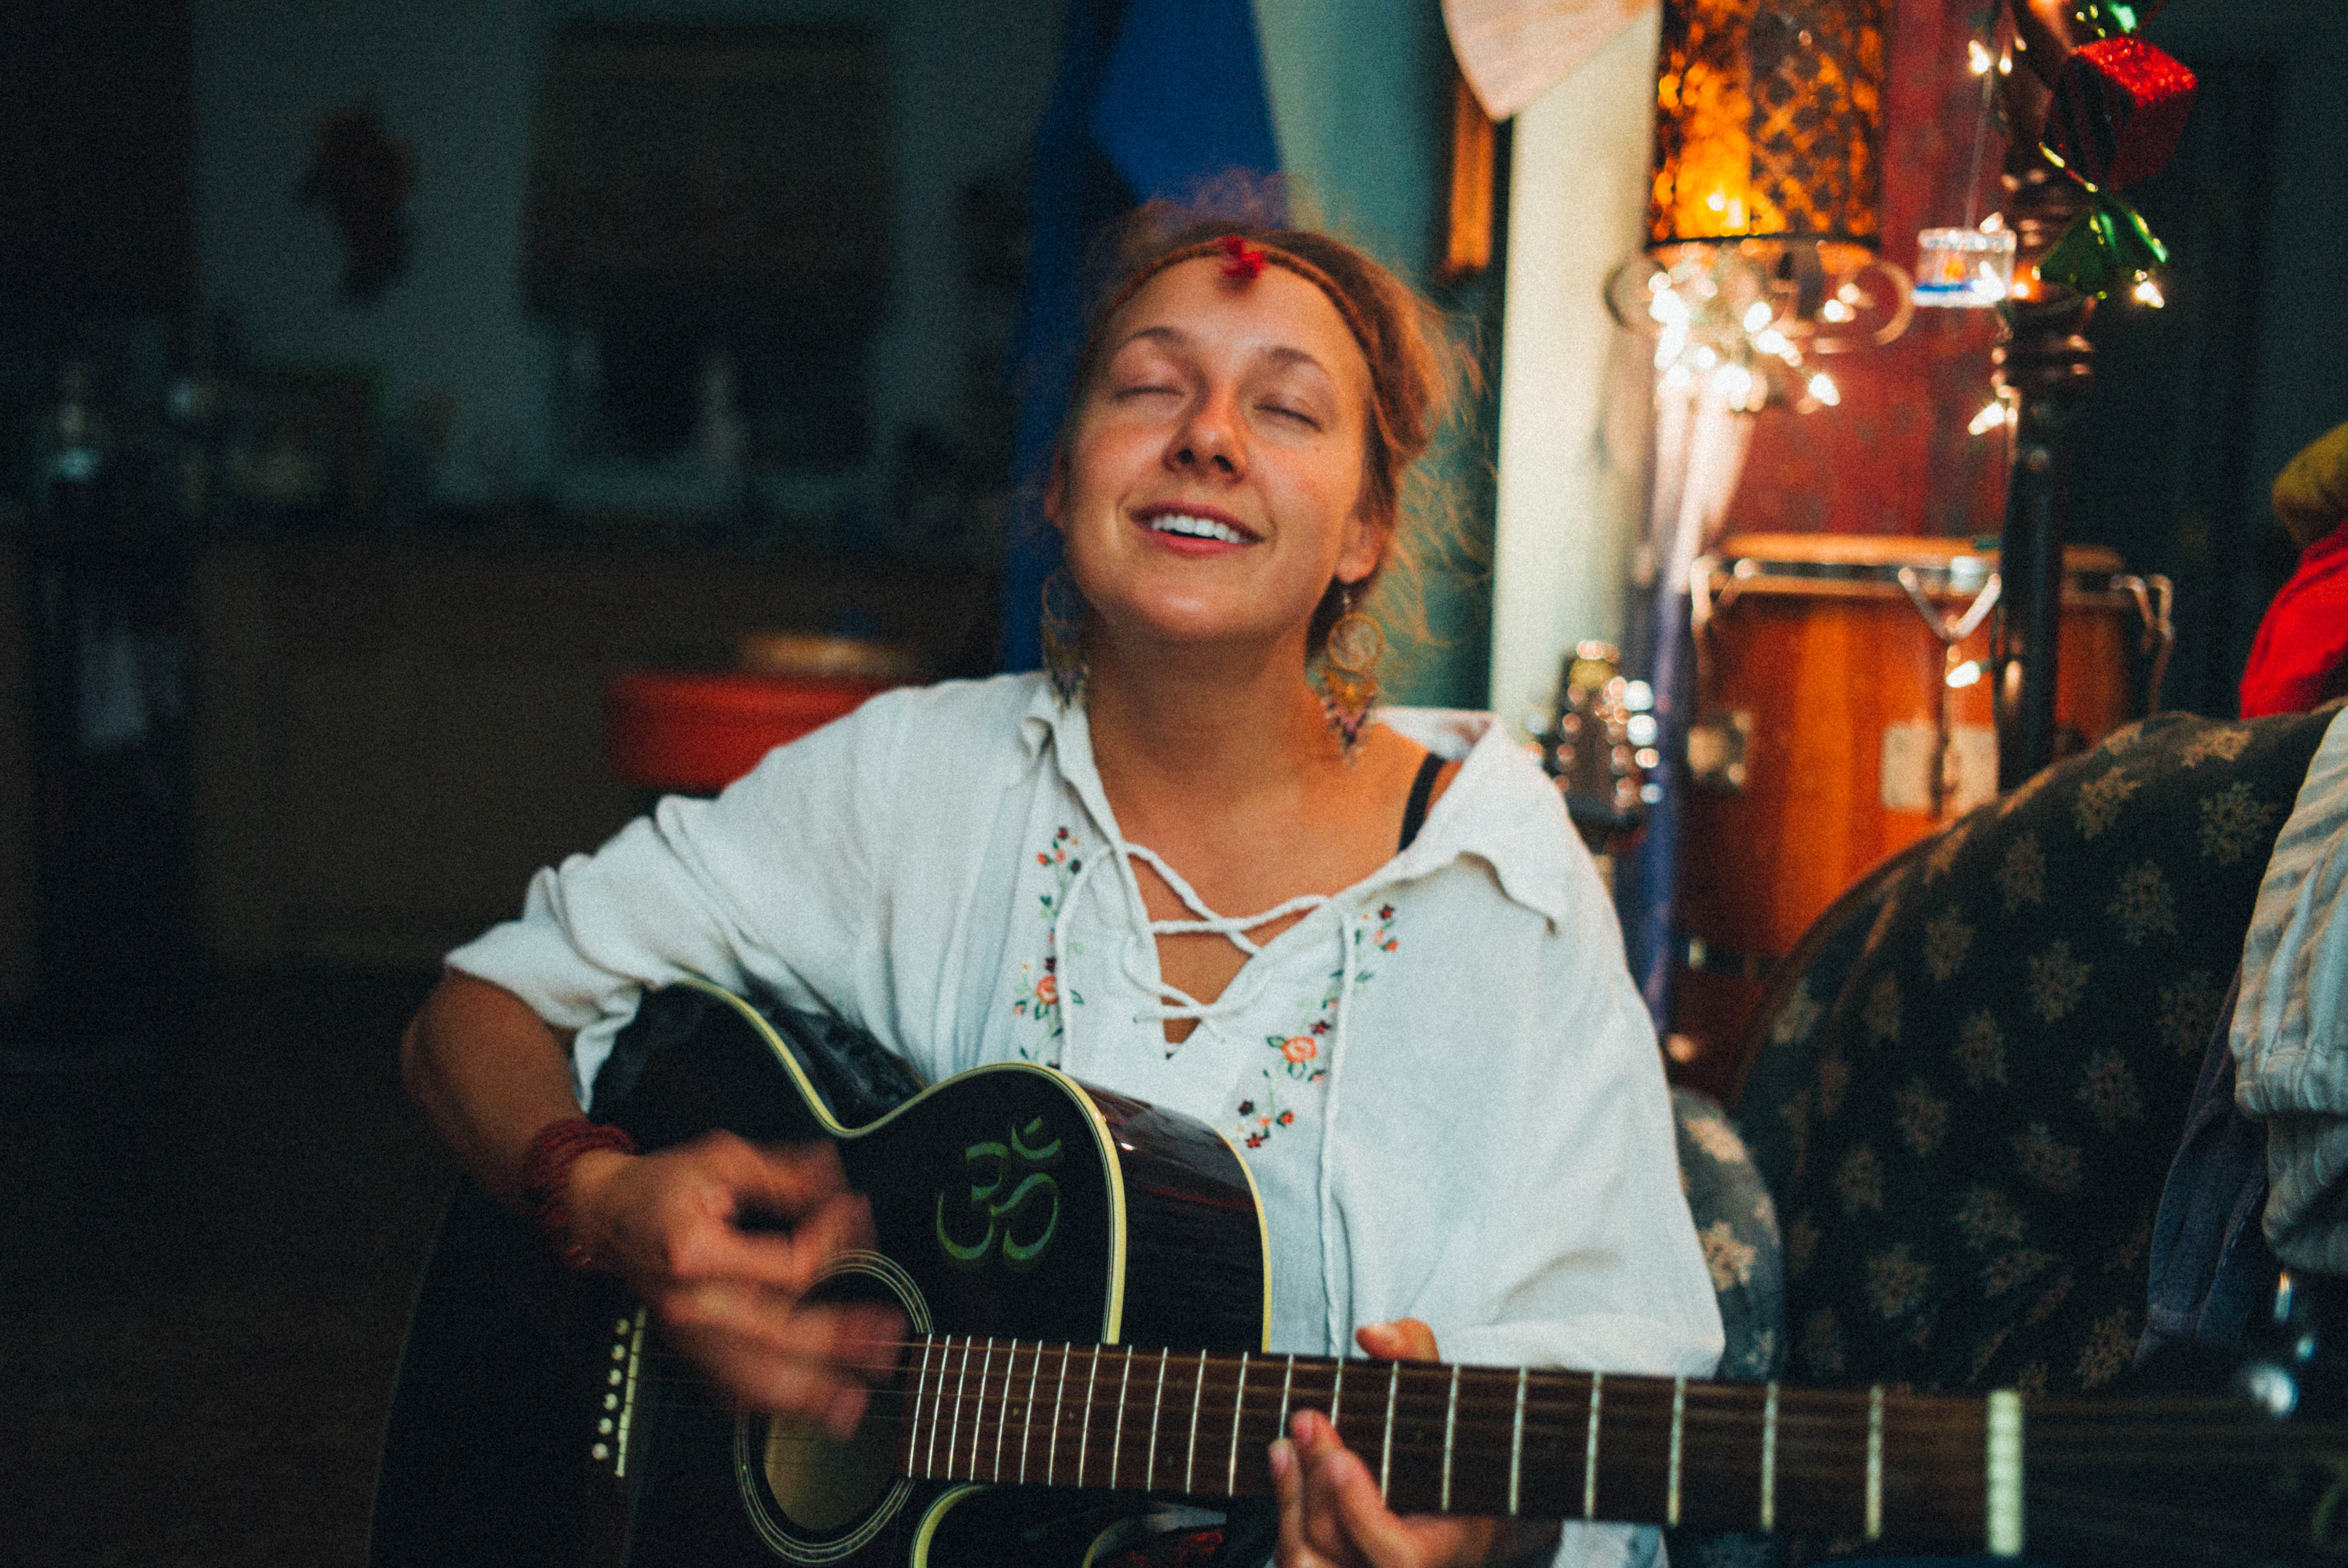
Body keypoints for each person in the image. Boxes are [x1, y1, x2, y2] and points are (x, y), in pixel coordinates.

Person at [401, 206, 1723, 1568]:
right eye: (1149, 387)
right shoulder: (916, 784)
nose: (1208, 437)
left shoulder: (1499, 875)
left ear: (1366, 530)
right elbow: (480, 1012)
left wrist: (1480, 1535)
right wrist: (598, 1200)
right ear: (1059, 479)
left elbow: (1622, 1366)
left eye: (1285, 409)